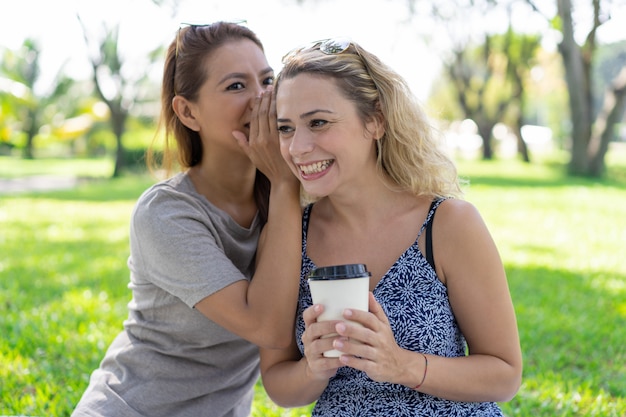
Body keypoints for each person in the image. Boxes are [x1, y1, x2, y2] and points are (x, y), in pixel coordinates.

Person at [259, 38, 523, 416]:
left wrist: (401, 365)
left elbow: (505, 374)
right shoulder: (288, 237)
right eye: (285, 128)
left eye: (318, 122)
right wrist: (313, 367)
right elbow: (279, 385)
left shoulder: (447, 225)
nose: (298, 147)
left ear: (375, 121)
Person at [72, 22, 301, 417]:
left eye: (268, 80)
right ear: (187, 111)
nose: (262, 99)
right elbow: (265, 326)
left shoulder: (288, 200)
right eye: (235, 86)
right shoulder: (164, 213)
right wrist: (283, 184)